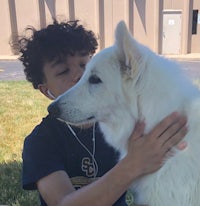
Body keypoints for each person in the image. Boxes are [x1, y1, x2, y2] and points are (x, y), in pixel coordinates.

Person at [17, 19, 187, 206]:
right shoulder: (41, 141)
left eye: (85, 65)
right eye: (63, 71)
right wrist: (133, 164)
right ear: (45, 90)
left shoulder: (119, 125)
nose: (79, 75)